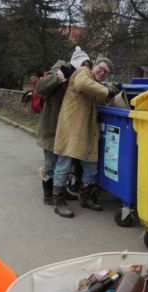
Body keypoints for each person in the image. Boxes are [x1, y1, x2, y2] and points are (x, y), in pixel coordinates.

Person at [52, 57, 119, 218]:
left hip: (88, 132)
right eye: (101, 68)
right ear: (94, 66)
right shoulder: (83, 72)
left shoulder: (96, 83)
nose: (102, 73)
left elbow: (101, 98)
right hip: (71, 129)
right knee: (64, 165)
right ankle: (59, 202)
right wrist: (106, 91)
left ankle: (86, 197)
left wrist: (112, 91)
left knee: (91, 167)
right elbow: (83, 84)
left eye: (106, 72)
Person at [35, 46, 91, 206]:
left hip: (68, 128)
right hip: (52, 126)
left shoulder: (82, 75)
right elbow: (41, 88)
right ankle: (48, 196)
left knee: (64, 164)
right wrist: (61, 75)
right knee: (51, 164)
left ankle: (62, 190)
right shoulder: (61, 69)